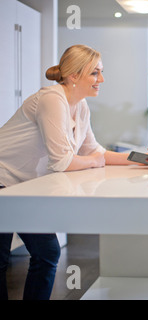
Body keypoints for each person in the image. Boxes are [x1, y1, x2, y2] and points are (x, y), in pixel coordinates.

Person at [0, 44, 132, 300]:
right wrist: (94, 161)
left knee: (47, 253)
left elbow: (95, 151)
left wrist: (141, 160)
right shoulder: (52, 98)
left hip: (26, 187)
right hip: (2, 179)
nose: (101, 79)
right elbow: (63, 161)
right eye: (95, 73)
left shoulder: (80, 106)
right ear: (74, 76)